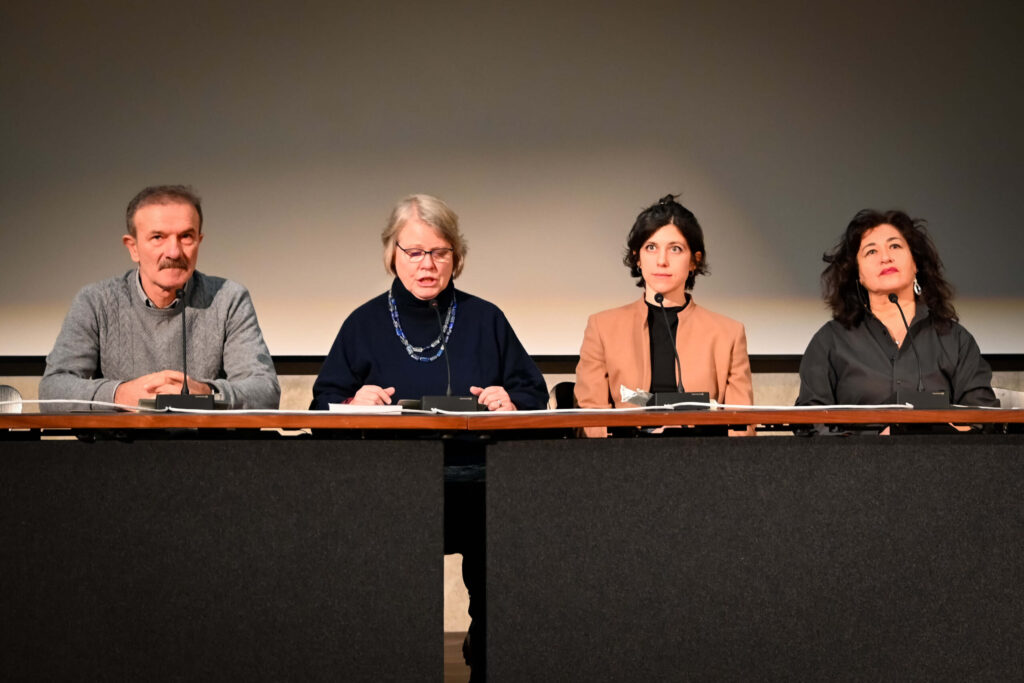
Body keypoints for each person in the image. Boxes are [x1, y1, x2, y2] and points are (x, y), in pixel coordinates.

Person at [310, 193, 547, 681]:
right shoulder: (364, 323)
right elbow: (320, 409)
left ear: (456, 257)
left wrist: (511, 401)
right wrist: (355, 404)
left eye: (439, 252)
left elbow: (533, 393)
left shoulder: (486, 319)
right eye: (414, 252)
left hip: (480, 482)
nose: (427, 265)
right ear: (391, 255)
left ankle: (488, 654)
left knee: (502, 575)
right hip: (393, 487)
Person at [40, 185, 280, 410]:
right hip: (117, 450)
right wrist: (119, 395)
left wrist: (205, 393)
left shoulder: (228, 299)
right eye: (158, 237)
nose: (174, 252)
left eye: (186, 236)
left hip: (208, 450)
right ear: (132, 247)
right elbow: (52, 391)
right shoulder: (96, 301)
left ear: (199, 241)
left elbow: (265, 391)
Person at [574, 194, 754, 437]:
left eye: (676, 249)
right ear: (637, 258)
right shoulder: (602, 327)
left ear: (694, 261)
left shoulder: (728, 333)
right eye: (651, 247)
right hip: (624, 458)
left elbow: (742, 426)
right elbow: (591, 417)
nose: (662, 261)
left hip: (705, 460)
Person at [796, 209, 998, 409]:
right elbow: (811, 424)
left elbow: (983, 417)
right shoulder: (830, 341)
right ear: (858, 274)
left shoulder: (955, 341)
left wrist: (938, 431)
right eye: (871, 251)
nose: (885, 258)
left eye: (895, 246)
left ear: (915, 263)